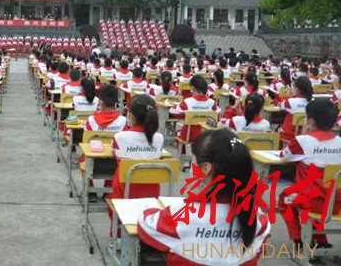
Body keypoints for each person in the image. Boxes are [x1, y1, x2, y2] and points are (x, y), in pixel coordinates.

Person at [137, 128, 270, 264]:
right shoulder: (259, 219)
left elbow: (145, 224)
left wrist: (155, 208)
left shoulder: (181, 214)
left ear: (205, 169)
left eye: (193, 161)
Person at [279, 98, 341, 251]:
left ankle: (298, 240)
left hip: (312, 202)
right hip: (336, 203)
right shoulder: (339, 141)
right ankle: (320, 240)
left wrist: (305, 134)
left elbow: (284, 156)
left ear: (311, 121)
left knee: (285, 199)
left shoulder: (303, 141)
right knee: (320, 192)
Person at [110, 95, 164, 200]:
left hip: (124, 195)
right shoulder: (159, 138)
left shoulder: (120, 137)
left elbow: (113, 151)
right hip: (152, 196)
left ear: (131, 116)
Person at [170, 75, 218, 153]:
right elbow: (217, 112)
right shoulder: (212, 103)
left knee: (178, 132)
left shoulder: (187, 101)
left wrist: (176, 106)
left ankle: (183, 155)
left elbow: (173, 111)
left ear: (193, 88)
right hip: (206, 134)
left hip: (190, 135)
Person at [278, 76, 313, 142]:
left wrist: (288, 95)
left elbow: (279, 105)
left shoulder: (290, 102)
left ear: (297, 89)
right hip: (307, 136)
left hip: (290, 136)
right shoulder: (313, 103)